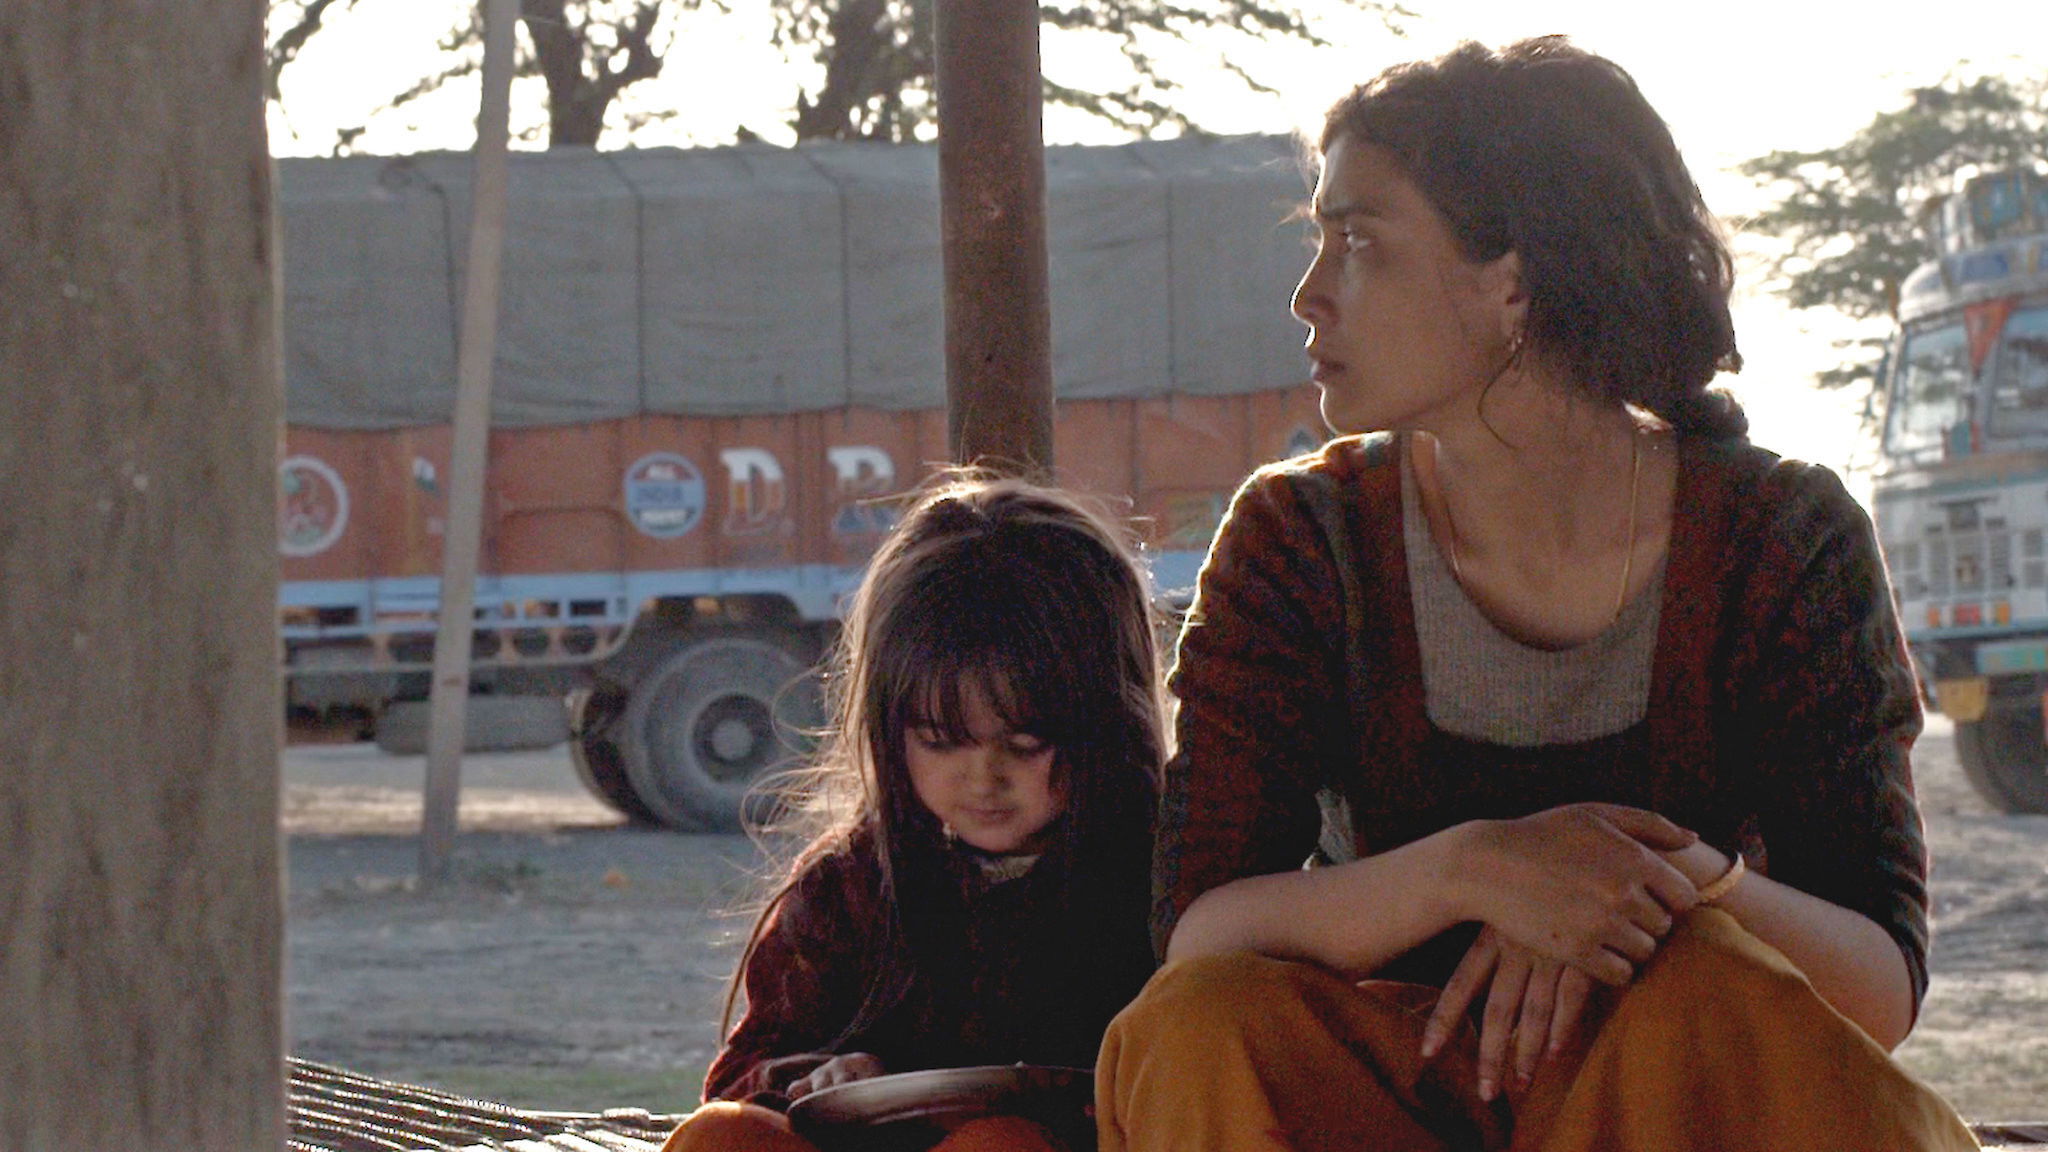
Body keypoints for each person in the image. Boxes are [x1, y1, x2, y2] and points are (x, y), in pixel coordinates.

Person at [1095, 36, 1979, 1152]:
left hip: (1668, 1108)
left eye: (1357, 242)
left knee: (1705, 981)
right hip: (1394, 1104)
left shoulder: (1780, 540)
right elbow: (1198, 931)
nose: (1307, 297)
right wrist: (1479, 870)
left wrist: (1634, 883)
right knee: (1197, 1027)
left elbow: (1876, 988)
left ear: (1514, 279)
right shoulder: (1300, 540)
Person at [662, 474, 1166, 1152]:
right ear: (888, 729)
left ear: (1108, 721)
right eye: (940, 740)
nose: (982, 778)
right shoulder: (849, 889)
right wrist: (824, 1080)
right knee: (721, 1136)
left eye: (1025, 744)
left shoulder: (1154, 885)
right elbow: (738, 1076)